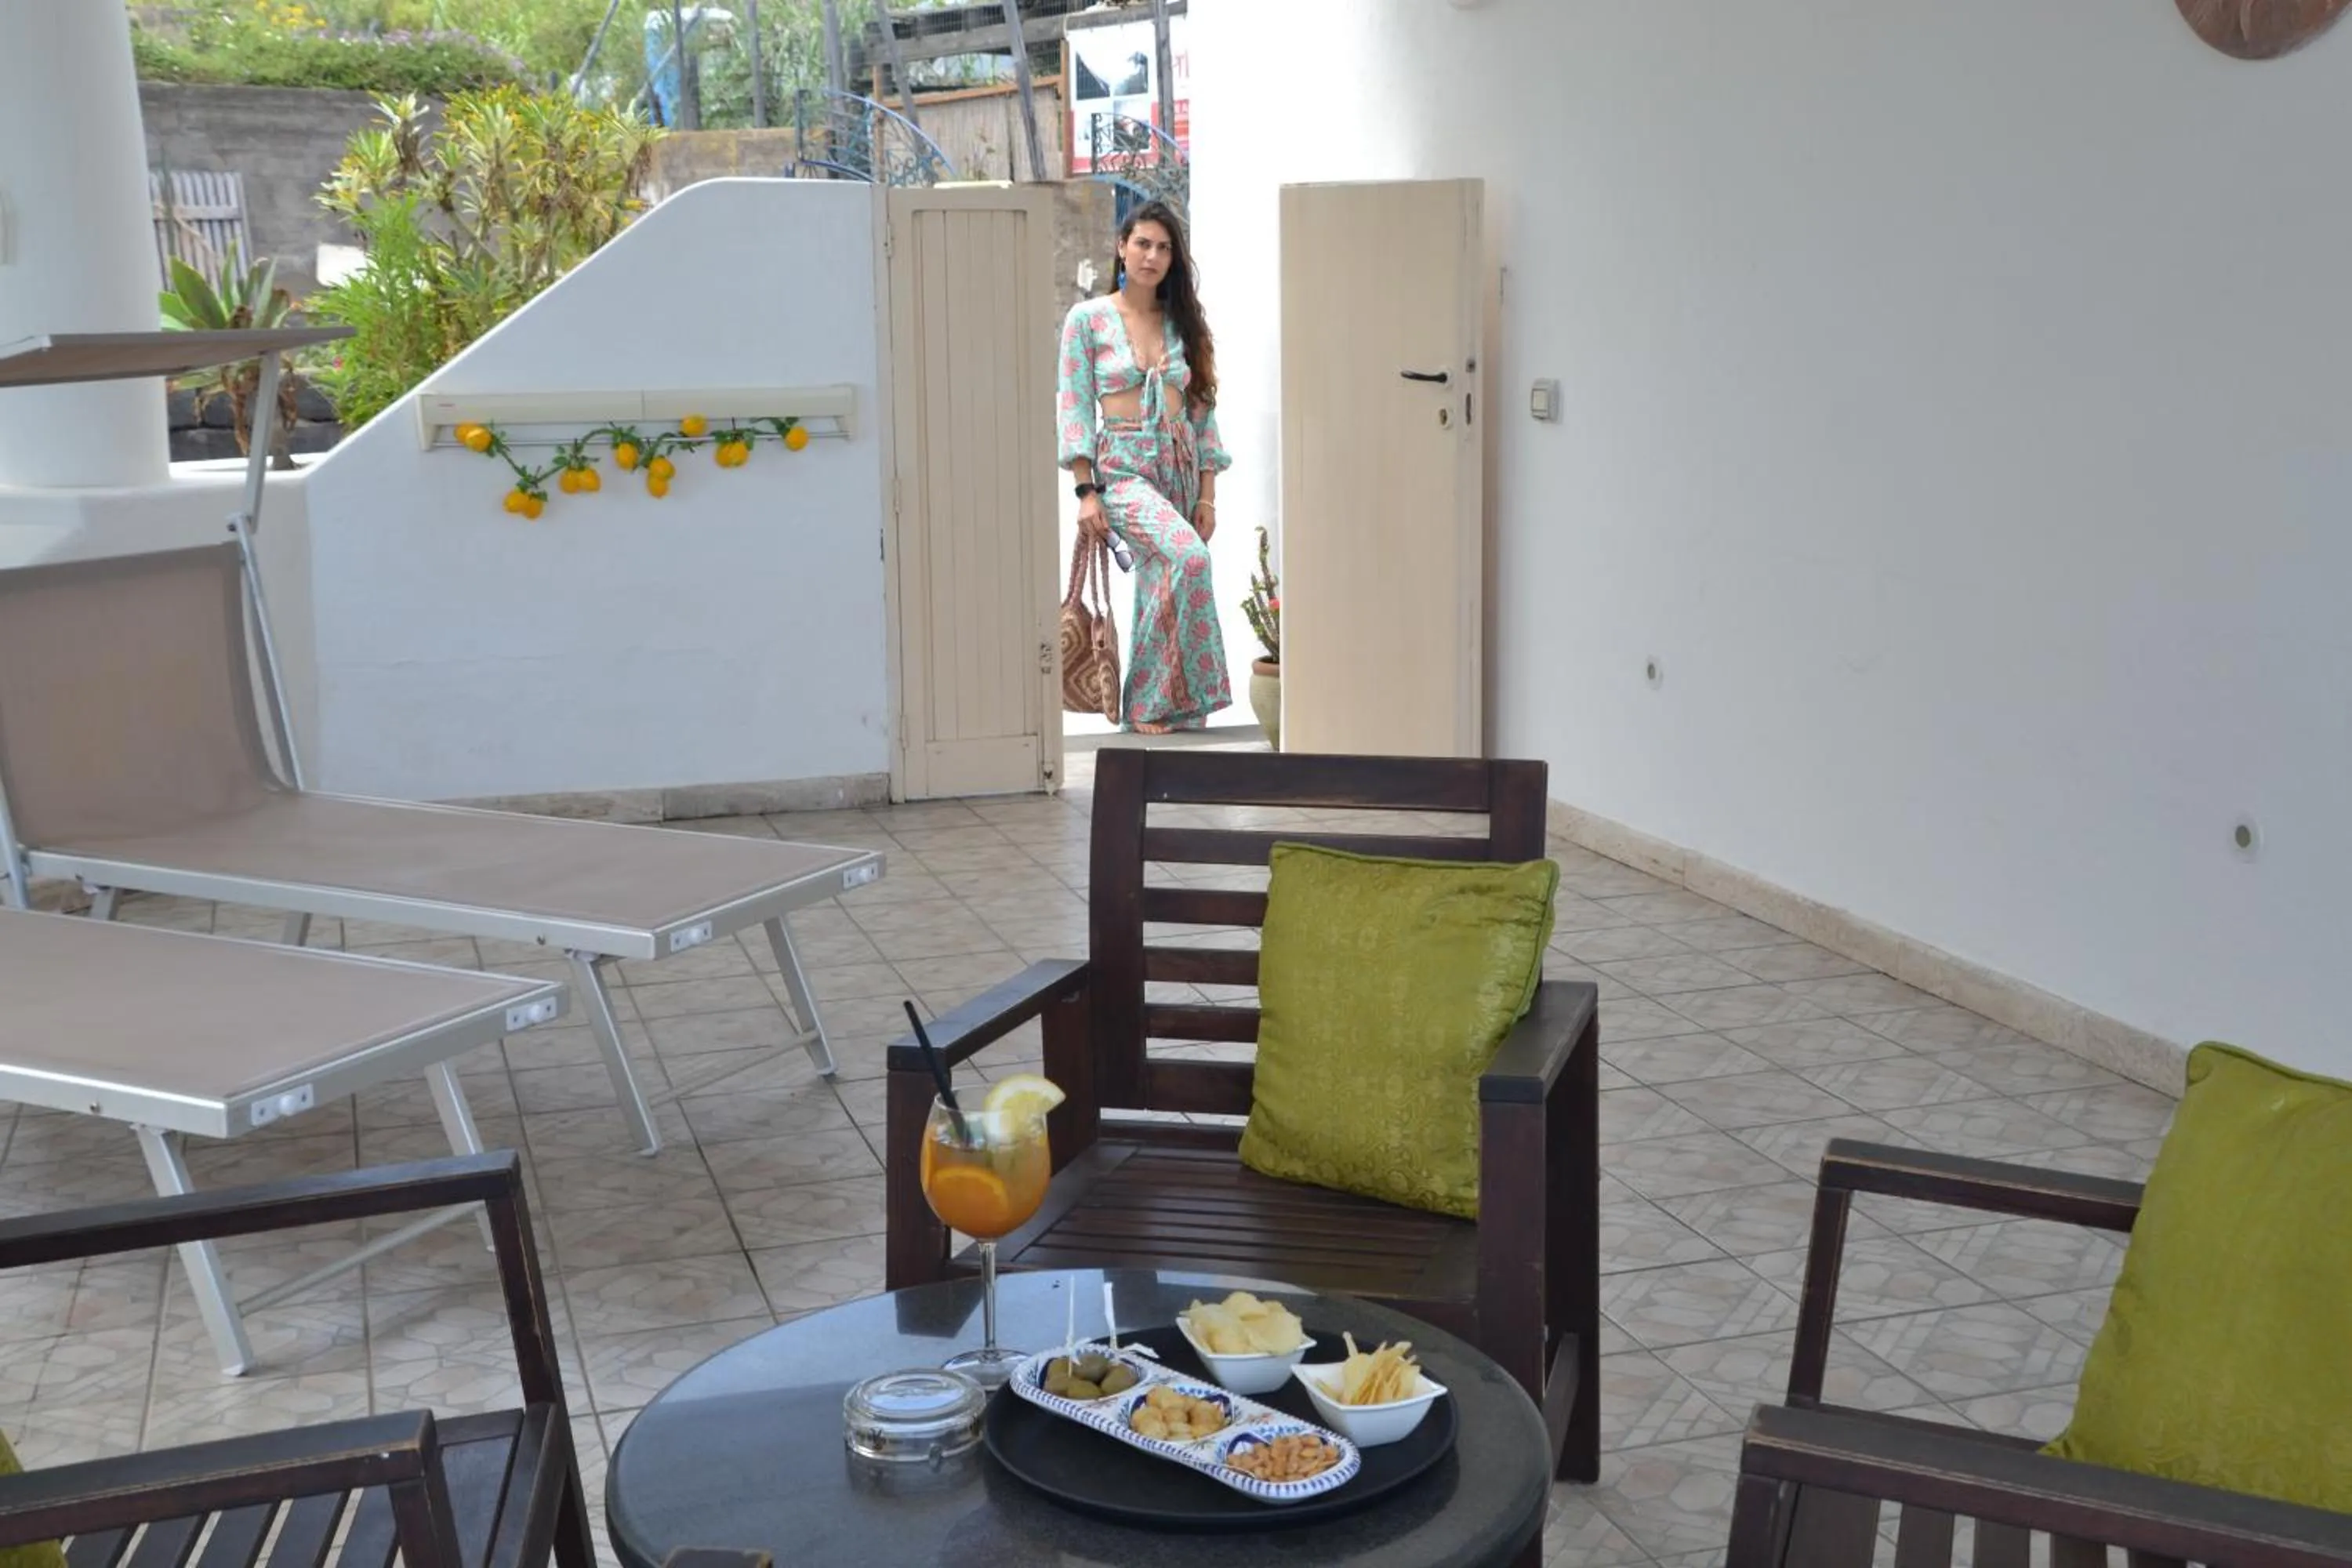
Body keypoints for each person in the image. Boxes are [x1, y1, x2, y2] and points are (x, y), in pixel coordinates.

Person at [1056, 200, 1232, 734]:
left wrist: (1207, 494)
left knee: (1165, 580)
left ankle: (1185, 709)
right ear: (1121, 247)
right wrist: (1086, 491)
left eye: (1164, 247)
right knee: (1188, 560)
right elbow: (1074, 407)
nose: (1152, 256)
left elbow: (1203, 413)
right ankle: (1144, 704)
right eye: (1142, 244)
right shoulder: (1087, 319)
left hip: (1180, 462)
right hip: (1123, 468)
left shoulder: (1184, 323)